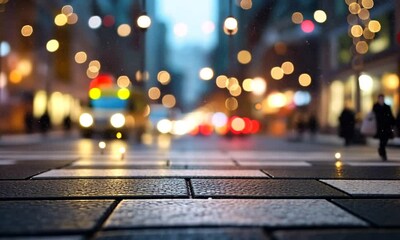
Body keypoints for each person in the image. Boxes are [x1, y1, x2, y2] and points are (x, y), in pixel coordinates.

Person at [372, 94, 395, 161]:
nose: (381, 100)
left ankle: (381, 151)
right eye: (380, 99)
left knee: (385, 140)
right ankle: (383, 154)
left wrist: (393, 123)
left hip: (386, 126)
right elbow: (373, 115)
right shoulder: (376, 106)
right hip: (379, 127)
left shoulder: (387, 107)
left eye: (382, 99)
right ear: (378, 99)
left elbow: (390, 115)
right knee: (382, 141)